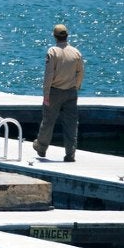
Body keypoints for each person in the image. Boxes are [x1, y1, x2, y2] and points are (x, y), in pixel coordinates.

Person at [33, 24, 84, 162]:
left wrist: (46, 94)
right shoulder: (76, 52)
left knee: (48, 121)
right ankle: (70, 153)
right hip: (71, 92)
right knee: (71, 124)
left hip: (55, 92)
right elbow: (80, 73)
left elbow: (49, 75)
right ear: (67, 36)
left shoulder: (53, 51)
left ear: (55, 36)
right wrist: (76, 87)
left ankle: (41, 148)